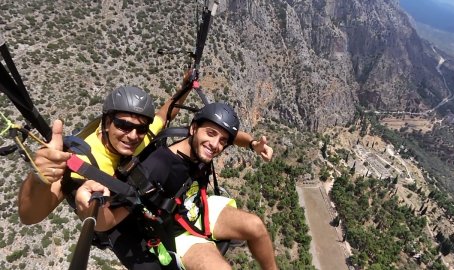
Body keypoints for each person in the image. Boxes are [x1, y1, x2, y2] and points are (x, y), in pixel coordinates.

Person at [17, 81, 273, 269]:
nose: (131, 135)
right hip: (132, 216)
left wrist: (185, 86)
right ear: (106, 122)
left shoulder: (141, 136)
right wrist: (40, 177)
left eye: (139, 128)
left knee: (256, 226)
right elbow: (29, 216)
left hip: (180, 206)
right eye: (123, 125)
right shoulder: (81, 160)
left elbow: (167, 113)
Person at [83, 102, 278, 270]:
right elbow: (108, 221)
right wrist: (90, 206)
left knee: (256, 226)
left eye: (222, 141)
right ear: (193, 129)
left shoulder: (201, 144)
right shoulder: (159, 166)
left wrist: (253, 144)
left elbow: (234, 137)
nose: (215, 144)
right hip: (176, 229)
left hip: (197, 207)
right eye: (210, 134)